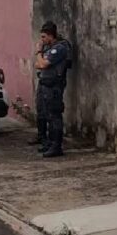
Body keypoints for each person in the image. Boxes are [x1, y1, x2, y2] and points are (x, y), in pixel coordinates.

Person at [34, 21, 72, 158]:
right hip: (46, 85)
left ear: (51, 36)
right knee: (47, 115)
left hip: (54, 86)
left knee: (54, 116)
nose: (42, 40)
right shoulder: (50, 49)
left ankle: (57, 146)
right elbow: (37, 65)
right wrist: (41, 59)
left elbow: (43, 64)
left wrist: (38, 52)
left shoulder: (59, 48)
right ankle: (50, 143)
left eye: (44, 37)